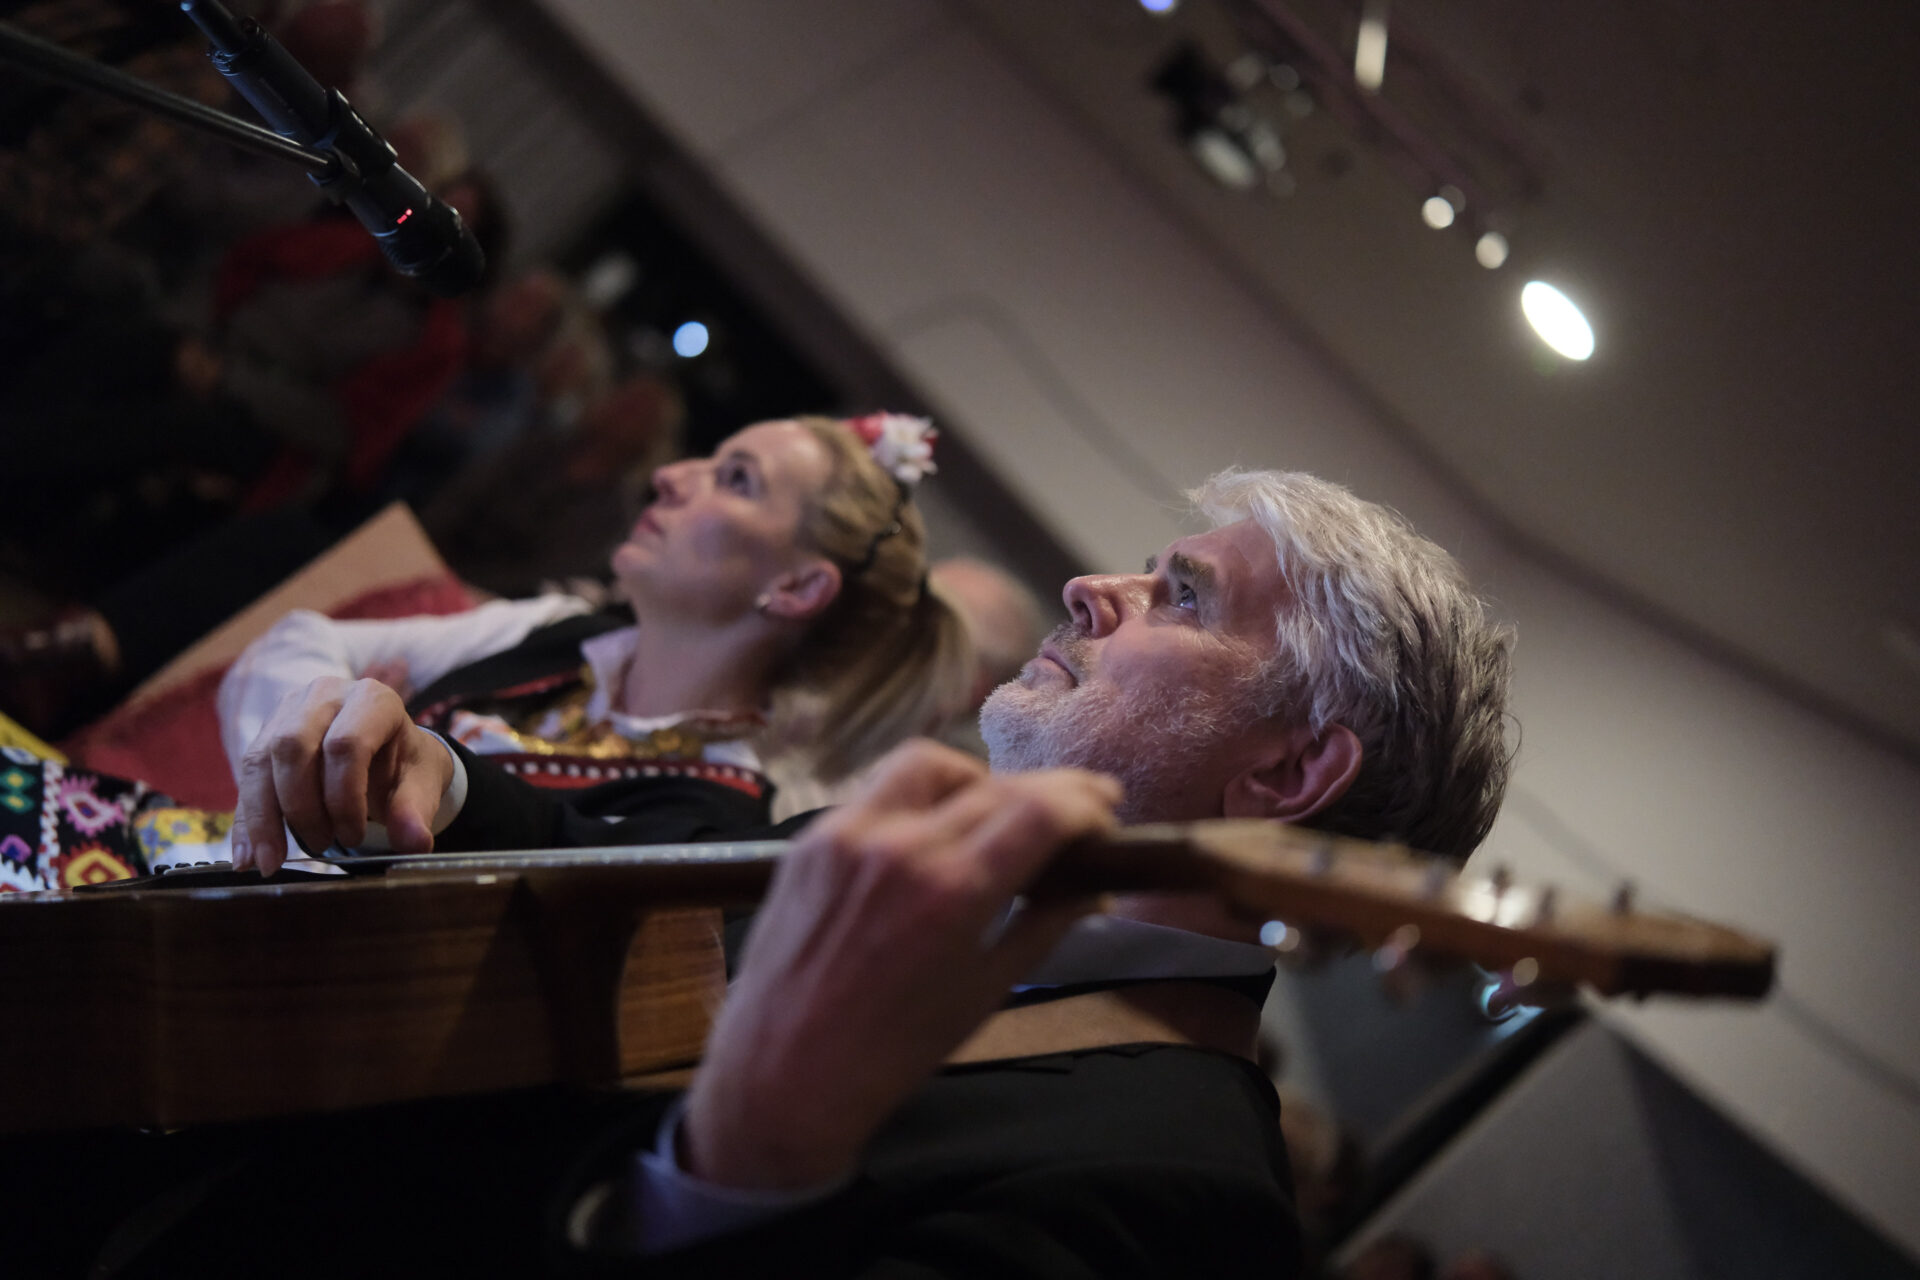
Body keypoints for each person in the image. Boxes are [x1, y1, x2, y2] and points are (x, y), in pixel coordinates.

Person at [174, 466, 1513, 1277]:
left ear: (1288, 775)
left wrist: (746, 1162)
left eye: (1185, 597)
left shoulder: (1184, 1208)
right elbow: (634, 903)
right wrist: (445, 783)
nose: (1097, 586)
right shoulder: (908, 866)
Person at [218, 412, 969, 866]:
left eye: (735, 479)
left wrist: (361, 751)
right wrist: (334, 732)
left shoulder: (709, 820)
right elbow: (290, 645)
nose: (673, 474)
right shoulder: (552, 631)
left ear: (796, 587)